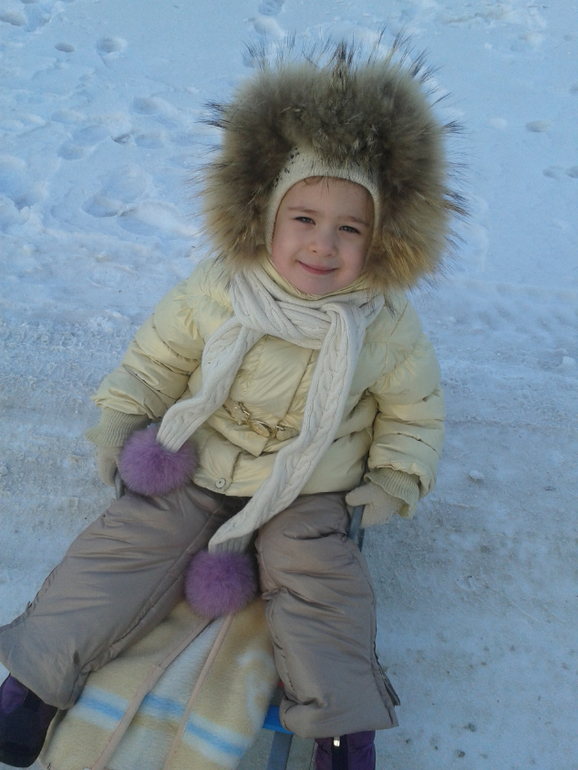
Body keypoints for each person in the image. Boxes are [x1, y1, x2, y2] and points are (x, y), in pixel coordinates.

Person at [0, 40, 460, 770]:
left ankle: (342, 733)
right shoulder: (219, 290)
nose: (323, 245)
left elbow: (415, 411)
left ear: (381, 240)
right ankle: (33, 685)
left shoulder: (382, 320)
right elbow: (157, 361)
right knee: (124, 546)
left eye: (350, 228)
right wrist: (122, 420)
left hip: (309, 486)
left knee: (320, 588)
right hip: (203, 458)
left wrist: (394, 479)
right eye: (303, 218)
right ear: (266, 217)